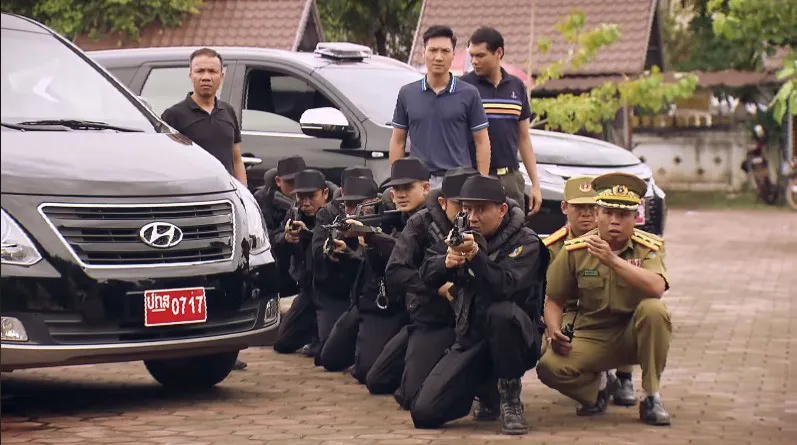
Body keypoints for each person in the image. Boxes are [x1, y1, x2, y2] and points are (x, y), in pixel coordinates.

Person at [411, 175, 547, 435]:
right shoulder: (462, 232)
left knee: (501, 313)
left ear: (502, 209)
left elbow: (503, 286)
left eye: (481, 209)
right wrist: (447, 262)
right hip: (470, 338)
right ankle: (486, 391)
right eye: (467, 208)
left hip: (516, 338)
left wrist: (475, 257)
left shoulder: (525, 242)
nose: (472, 216)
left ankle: (510, 396)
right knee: (424, 412)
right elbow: (425, 273)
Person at [537, 172, 672, 426]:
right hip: (593, 332)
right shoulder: (575, 249)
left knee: (655, 310)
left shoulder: (649, 247)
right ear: (598, 214)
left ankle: (651, 396)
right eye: (608, 213)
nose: (614, 221)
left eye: (622, 215)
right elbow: (554, 299)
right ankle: (597, 388)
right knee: (548, 367)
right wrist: (554, 330)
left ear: (636, 217)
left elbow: (656, 287)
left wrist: (613, 260)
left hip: (633, 331)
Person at [367, 167, 478, 404]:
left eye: (474, 206)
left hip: (476, 319)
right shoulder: (421, 223)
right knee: (390, 386)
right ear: (443, 201)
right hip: (433, 317)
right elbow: (395, 272)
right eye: (461, 206)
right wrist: (437, 288)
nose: (469, 214)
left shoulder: (489, 220)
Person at [319, 158, 430, 382]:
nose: (400, 194)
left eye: (407, 188)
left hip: (400, 307)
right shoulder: (393, 217)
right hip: (370, 300)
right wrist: (350, 253)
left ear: (426, 187)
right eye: (396, 189)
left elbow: (402, 256)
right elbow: (374, 266)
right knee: (329, 358)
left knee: (369, 374)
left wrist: (371, 236)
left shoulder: (431, 220)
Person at [542, 176, 638, 406]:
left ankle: (624, 377)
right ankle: (596, 386)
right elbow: (548, 294)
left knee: (624, 308)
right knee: (547, 350)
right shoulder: (551, 247)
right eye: (578, 207)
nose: (586, 213)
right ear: (564, 207)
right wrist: (550, 326)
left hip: (608, 307)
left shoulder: (614, 240)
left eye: (592, 207)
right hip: (570, 313)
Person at [389, 25, 491, 188]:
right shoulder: (407, 93)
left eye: (445, 51)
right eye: (433, 50)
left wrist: (482, 182)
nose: (438, 57)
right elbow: (398, 141)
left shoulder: (469, 94)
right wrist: (397, 181)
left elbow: (482, 141)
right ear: (423, 53)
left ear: (453, 55)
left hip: (459, 182)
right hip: (419, 182)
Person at [460, 27, 542, 216]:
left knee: (516, 236)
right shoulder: (463, 87)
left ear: (499, 53)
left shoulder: (517, 86)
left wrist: (535, 184)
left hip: (510, 179)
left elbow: (523, 138)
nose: (474, 61)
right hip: (472, 177)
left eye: (480, 55)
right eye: (471, 55)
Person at [311, 172, 382, 366]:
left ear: (374, 202)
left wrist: (366, 237)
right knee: (328, 358)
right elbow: (317, 251)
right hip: (340, 295)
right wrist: (334, 252)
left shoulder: (386, 221)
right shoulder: (330, 214)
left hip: (377, 303)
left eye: (359, 205)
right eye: (348, 205)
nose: (352, 212)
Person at [160, 47, 246, 185]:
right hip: (194, 196)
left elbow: (236, 159)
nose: (206, 77)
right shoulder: (173, 115)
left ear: (221, 77)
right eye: (200, 71)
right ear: (190, 75)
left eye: (212, 71)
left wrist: (244, 194)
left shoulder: (228, 111)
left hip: (226, 194)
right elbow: (166, 162)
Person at [272, 169, 331, 355]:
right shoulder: (294, 213)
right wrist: (286, 238)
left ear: (325, 193)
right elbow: (274, 240)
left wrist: (309, 235)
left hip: (333, 293)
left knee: (327, 351)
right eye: (301, 197)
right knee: (283, 343)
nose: (306, 203)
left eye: (311, 197)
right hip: (307, 290)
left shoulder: (335, 213)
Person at [254, 155, 306, 301]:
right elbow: (262, 239)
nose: (295, 188)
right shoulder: (262, 200)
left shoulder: (315, 195)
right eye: (290, 182)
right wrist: (284, 236)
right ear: (278, 181)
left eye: (299, 181)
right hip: (278, 265)